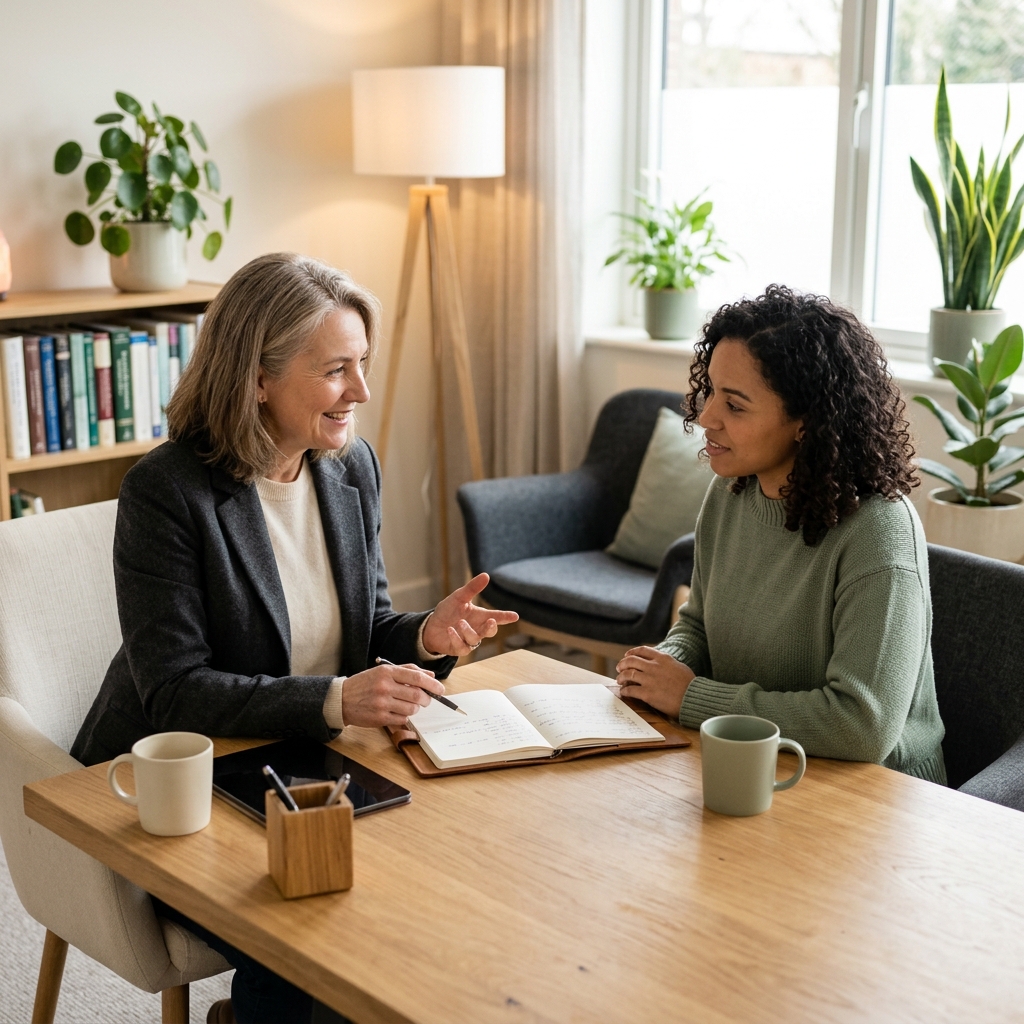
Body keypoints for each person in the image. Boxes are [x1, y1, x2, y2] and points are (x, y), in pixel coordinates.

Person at [71, 252, 518, 1024]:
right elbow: (176, 690)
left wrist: (428, 636)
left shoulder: (349, 469)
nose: (363, 392)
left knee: (451, 885)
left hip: (306, 763)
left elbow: (368, 628)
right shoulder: (167, 492)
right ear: (257, 378)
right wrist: (340, 700)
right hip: (183, 779)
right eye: (338, 368)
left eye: (364, 364)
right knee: (305, 929)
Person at [615, 285, 946, 784]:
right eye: (711, 393)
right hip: (754, 761)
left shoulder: (879, 529)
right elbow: (700, 626)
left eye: (736, 405)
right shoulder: (730, 494)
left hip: (878, 793)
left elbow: (864, 726)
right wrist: (662, 666)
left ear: (806, 423)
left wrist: (689, 697)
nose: (705, 418)